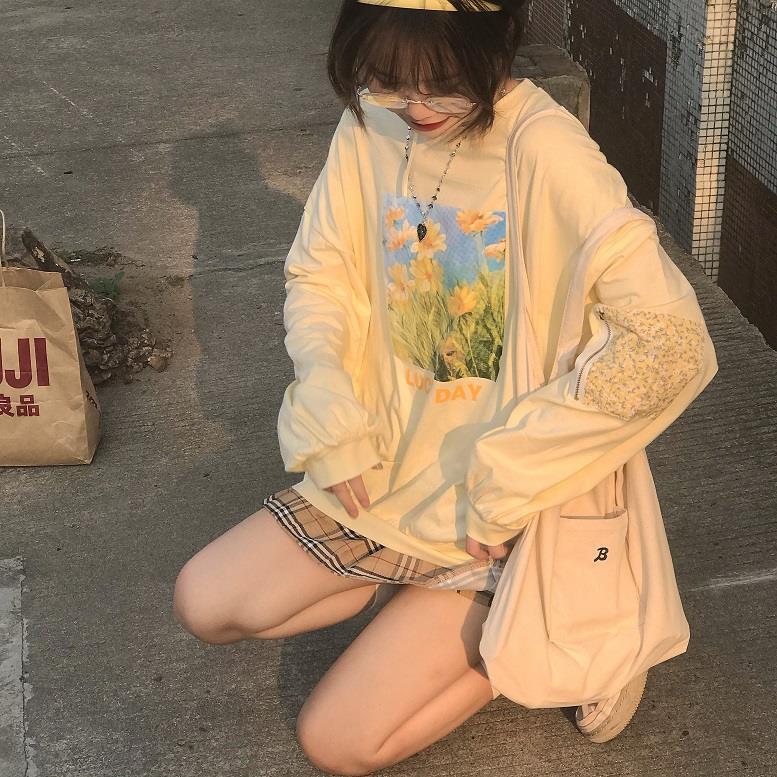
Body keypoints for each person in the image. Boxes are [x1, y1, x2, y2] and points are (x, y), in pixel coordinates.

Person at [172, 0, 718, 774]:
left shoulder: (542, 148)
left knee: (335, 741)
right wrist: (331, 413)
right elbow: (322, 275)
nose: (415, 107)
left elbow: (667, 340)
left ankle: (543, 637)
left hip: (506, 518)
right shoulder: (375, 122)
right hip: (389, 474)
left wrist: (510, 475)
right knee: (204, 600)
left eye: (443, 83)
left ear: (493, 47)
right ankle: (404, 593)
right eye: (386, 78)